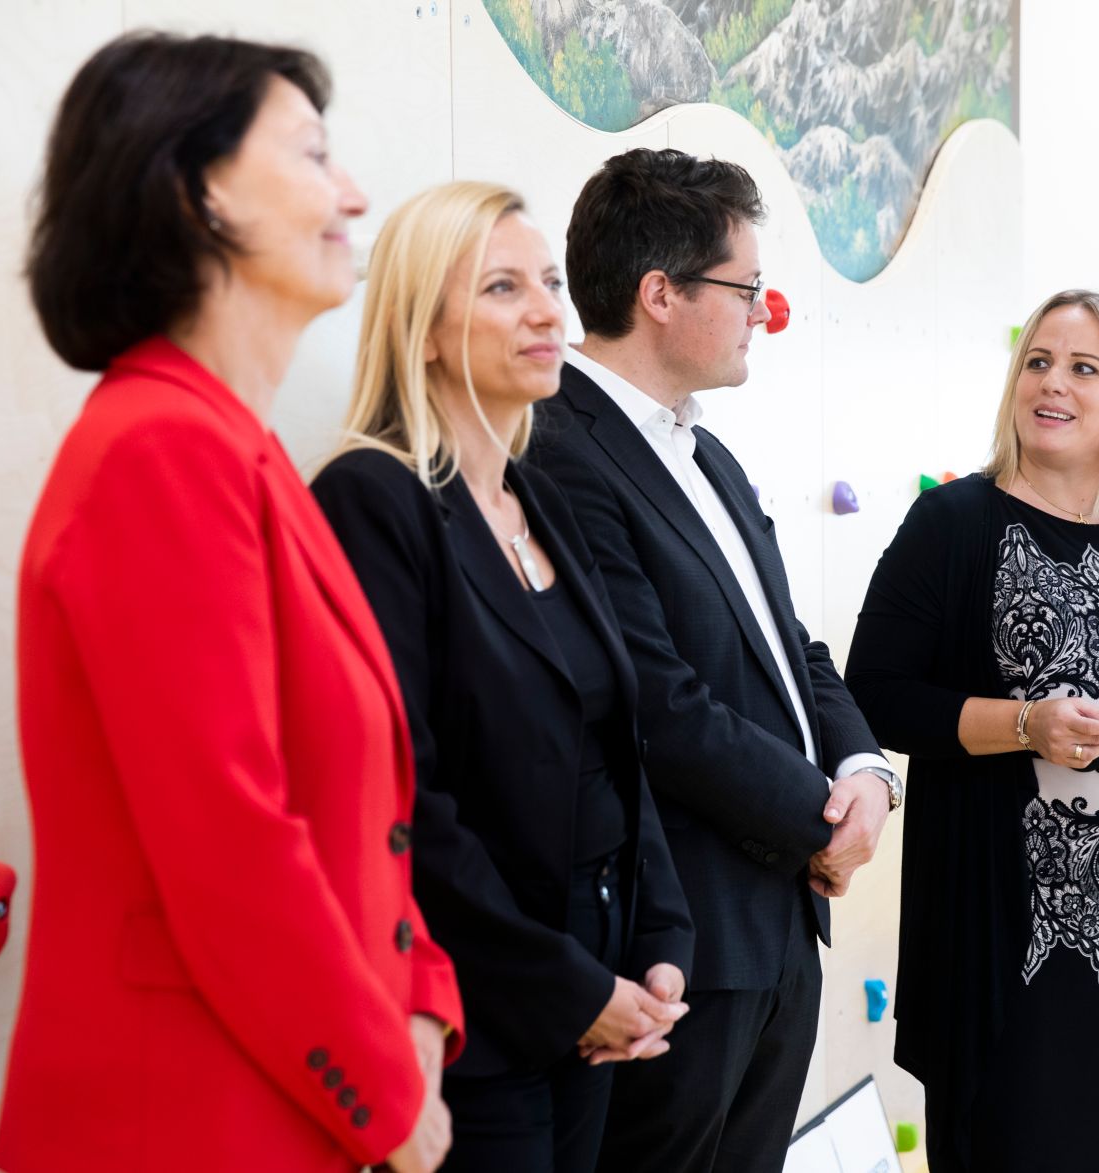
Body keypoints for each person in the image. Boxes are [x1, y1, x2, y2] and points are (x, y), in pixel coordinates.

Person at [0, 32, 462, 1173]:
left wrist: (418, 1005)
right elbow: (227, 842)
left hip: (272, 1101)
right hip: (185, 1119)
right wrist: (385, 1097)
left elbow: (360, 818)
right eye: (311, 154)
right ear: (195, 192)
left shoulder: (239, 456)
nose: (352, 191)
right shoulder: (157, 451)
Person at [528, 148, 902, 1173]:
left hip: (778, 920)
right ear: (659, 294)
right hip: (681, 932)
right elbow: (654, 698)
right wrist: (815, 822)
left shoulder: (705, 452)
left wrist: (865, 774)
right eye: (745, 288)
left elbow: (788, 647)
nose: (761, 312)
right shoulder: (559, 447)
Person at [310, 181, 696, 1173]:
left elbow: (617, 741)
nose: (545, 313)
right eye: (499, 288)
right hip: (476, 1025)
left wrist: (661, 939)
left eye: (550, 283)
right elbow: (404, 802)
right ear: (422, 333)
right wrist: (566, 990)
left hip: (597, 1000)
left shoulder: (537, 496)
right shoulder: (370, 499)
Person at [845, 289, 1099, 1173]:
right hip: (1011, 942)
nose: (1053, 384)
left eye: (1084, 368)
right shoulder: (953, 524)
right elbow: (874, 694)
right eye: (1038, 362)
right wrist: (1024, 725)